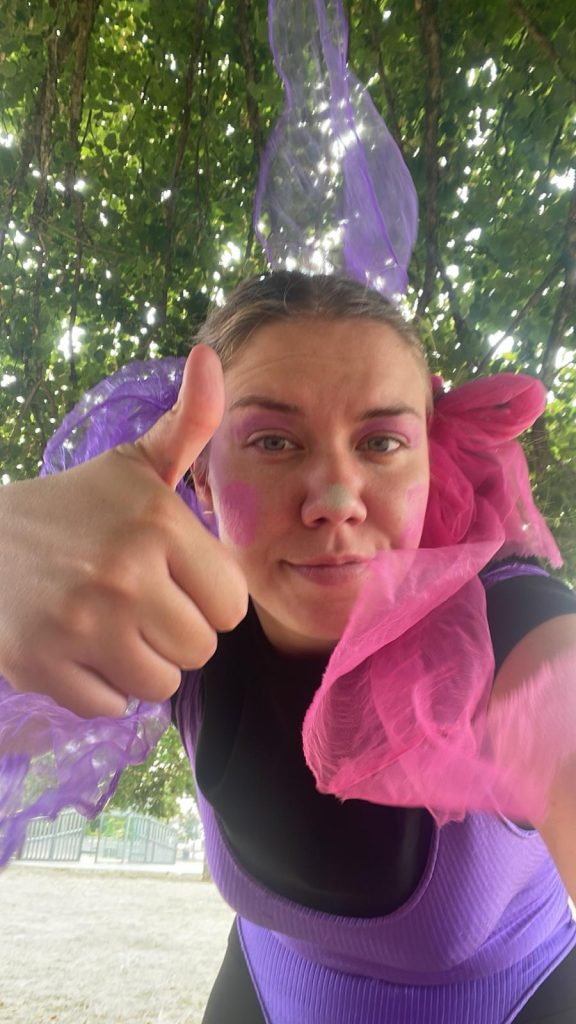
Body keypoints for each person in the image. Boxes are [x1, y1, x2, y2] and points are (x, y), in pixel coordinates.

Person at [1, 269, 575, 1024]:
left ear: (431, 464)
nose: (335, 500)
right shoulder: (183, 618)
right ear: (204, 478)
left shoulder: (509, 620)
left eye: (381, 442)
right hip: (266, 985)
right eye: (273, 441)